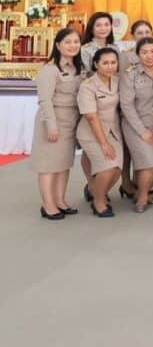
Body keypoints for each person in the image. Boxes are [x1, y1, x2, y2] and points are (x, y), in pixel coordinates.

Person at [31, 27, 85, 219]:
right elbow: (45, 100)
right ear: (58, 45)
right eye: (68, 42)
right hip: (52, 120)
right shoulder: (50, 69)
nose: (73, 46)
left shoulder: (79, 68)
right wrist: (51, 126)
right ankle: (47, 204)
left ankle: (60, 200)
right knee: (48, 165)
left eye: (76, 42)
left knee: (63, 163)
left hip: (71, 121)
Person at [119, 37, 153, 213]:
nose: (149, 56)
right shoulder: (130, 74)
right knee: (148, 164)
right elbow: (126, 105)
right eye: (145, 52)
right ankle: (141, 198)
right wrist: (142, 130)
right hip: (136, 124)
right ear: (137, 54)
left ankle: (142, 190)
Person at [77, 47, 123, 218]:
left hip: (113, 131)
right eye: (105, 63)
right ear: (96, 64)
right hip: (91, 132)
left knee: (117, 169)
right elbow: (91, 117)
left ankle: (92, 189)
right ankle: (99, 201)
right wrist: (104, 144)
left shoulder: (117, 80)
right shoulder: (87, 86)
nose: (110, 66)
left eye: (113, 62)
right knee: (107, 169)